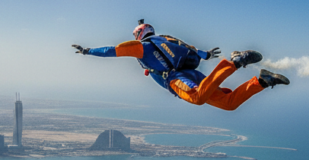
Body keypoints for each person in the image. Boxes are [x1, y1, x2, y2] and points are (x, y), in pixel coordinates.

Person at [72, 20, 289, 111]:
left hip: (176, 79)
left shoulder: (141, 47)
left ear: (139, 34)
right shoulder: (166, 39)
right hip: (191, 73)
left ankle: (236, 62)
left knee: (197, 98)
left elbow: (112, 50)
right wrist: (206, 54)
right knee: (228, 103)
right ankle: (262, 81)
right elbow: (192, 50)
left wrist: (87, 51)